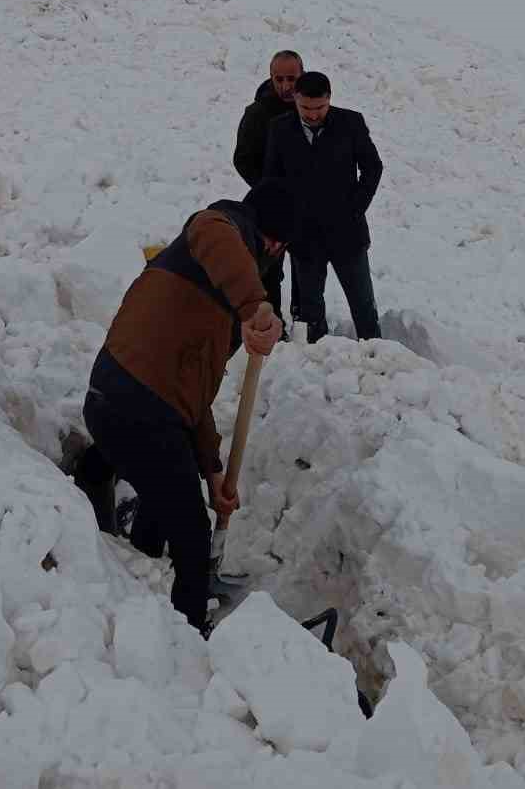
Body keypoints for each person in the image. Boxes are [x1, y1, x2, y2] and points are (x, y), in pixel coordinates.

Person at [72, 182, 293, 633]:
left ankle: (137, 549)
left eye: (278, 243)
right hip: (136, 411)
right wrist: (255, 308)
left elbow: (195, 400)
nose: (270, 248)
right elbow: (218, 232)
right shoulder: (213, 230)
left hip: (119, 406)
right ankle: (189, 635)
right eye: (267, 239)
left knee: (175, 475)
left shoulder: (211, 312)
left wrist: (213, 471)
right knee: (191, 534)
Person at [264, 71, 383, 343]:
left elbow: (372, 167)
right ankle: (316, 361)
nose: (313, 114)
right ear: (295, 99)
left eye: (320, 108)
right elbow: (272, 181)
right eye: (306, 107)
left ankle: (377, 359)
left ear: (329, 99)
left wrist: (355, 208)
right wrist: (279, 225)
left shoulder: (351, 123)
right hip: (304, 238)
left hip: (347, 234)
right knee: (309, 310)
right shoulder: (280, 129)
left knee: (363, 305)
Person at [233, 51, 303, 334]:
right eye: (279, 79)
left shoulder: (310, 104)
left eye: (292, 78)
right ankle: (272, 328)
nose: (286, 85)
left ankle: (306, 321)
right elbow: (242, 159)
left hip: (307, 205)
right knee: (270, 270)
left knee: (307, 266)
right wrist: (269, 191)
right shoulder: (257, 113)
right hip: (271, 209)